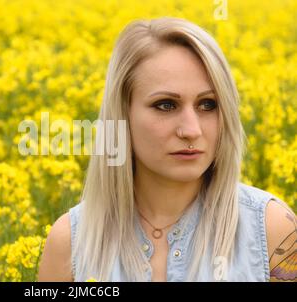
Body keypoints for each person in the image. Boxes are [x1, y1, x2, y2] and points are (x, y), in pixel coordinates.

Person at [38, 17, 296, 282]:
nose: (191, 130)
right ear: (122, 115)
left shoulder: (270, 230)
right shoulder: (71, 244)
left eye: (208, 105)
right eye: (166, 105)